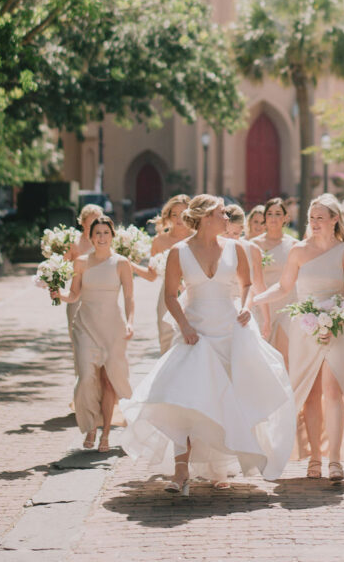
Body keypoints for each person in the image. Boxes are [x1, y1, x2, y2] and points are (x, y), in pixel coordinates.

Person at [121, 195, 296, 495]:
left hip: (231, 332)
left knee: (225, 399)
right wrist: (185, 326)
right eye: (221, 213)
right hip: (196, 334)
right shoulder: (179, 252)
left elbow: (246, 285)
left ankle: (219, 465)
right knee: (184, 399)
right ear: (205, 217)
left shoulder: (237, 248)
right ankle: (180, 471)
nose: (228, 218)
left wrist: (245, 306)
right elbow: (170, 296)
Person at [255, 194, 344, 482]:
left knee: (333, 391)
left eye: (320, 218)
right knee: (310, 394)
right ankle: (314, 457)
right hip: (304, 330)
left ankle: (335, 460)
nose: (314, 223)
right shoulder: (298, 251)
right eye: (311, 218)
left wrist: (333, 319)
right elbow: (284, 288)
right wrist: (253, 300)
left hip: (338, 330)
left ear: (335, 219)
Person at [52, 216, 134, 453]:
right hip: (86, 325)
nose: (101, 237)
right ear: (90, 237)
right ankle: (90, 425)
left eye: (105, 233)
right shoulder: (81, 262)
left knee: (108, 380)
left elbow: (129, 297)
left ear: (112, 236)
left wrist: (130, 322)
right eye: (97, 233)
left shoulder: (121, 263)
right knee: (87, 376)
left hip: (112, 327)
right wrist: (60, 295)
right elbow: (74, 295)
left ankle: (105, 433)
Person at [252, 197, 296, 365]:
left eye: (278, 214)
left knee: (285, 354)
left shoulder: (294, 245)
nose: (273, 218)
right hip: (262, 304)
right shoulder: (253, 245)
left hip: (287, 305)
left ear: (286, 218)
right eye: (269, 213)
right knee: (263, 355)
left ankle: (289, 390)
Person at [145, 195, 191, 354]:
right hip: (167, 294)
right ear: (168, 216)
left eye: (183, 214)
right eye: (174, 214)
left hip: (193, 293)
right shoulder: (159, 241)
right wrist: (129, 263)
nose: (179, 219)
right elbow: (151, 276)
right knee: (166, 336)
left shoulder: (197, 238)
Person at [64, 204, 103, 373]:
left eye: (98, 220)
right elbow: (63, 268)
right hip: (77, 296)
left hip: (99, 298)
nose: (96, 224)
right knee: (77, 342)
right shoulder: (74, 244)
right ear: (83, 222)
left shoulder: (104, 241)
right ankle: (80, 384)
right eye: (92, 220)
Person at [225, 203, 270, 339]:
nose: (230, 238)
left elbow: (259, 285)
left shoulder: (252, 249)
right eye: (226, 232)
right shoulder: (212, 249)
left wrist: (267, 318)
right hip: (219, 308)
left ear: (242, 230)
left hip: (243, 308)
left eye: (236, 234)